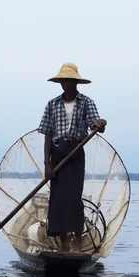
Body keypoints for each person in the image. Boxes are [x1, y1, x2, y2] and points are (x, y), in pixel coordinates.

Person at [38, 62, 107, 252]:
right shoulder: (52, 105)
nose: (66, 84)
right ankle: (63, 244)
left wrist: (99, 124)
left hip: (76, 151)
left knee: (74, 199)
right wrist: (47, 163)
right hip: (57, 152)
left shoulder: (86, 102)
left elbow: (94, 123)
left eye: (69, 81)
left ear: (76, 83)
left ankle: (77, 242)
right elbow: (48, 135)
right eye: (63, 81)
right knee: (58, 200)